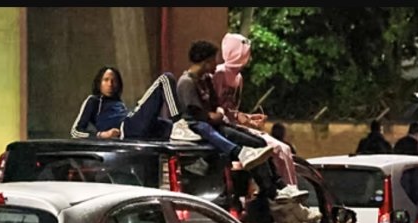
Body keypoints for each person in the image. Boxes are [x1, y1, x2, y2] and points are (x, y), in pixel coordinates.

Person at [73, 65, 272, 171]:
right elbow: (76, 131)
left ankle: (236, 153)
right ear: (98, 83)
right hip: (129, 129)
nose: (111, 84)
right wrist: (101, 135)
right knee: (165, 78)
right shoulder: (93, 101)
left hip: (147, 129)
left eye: (114, 80)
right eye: (106, 80)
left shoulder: (118, 102)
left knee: (197, 127)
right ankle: (178, 122)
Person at [212, 32, 298, 186]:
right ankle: (280, 188)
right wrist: (237, 117)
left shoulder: (238, 78)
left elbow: (231, 110)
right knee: (275, 149)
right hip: (224, 128)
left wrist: (247, 118)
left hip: (233, 126)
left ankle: (291, 188)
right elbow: (215, 107)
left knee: (285, 149)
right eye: (245, 52)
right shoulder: (219, 73)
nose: (248, 57)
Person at [176, 40, 275, 174]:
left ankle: (273, 182)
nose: (216, 64)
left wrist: (220, 113)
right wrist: (217, 115)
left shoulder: (206, 80)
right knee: (255, 144)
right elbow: (199, 115)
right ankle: (266, 182)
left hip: (216, 124)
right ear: (206, 62)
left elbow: (216, 105)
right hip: (204, 127)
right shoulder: (187, 83)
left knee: (260, 142)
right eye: (214, 60)